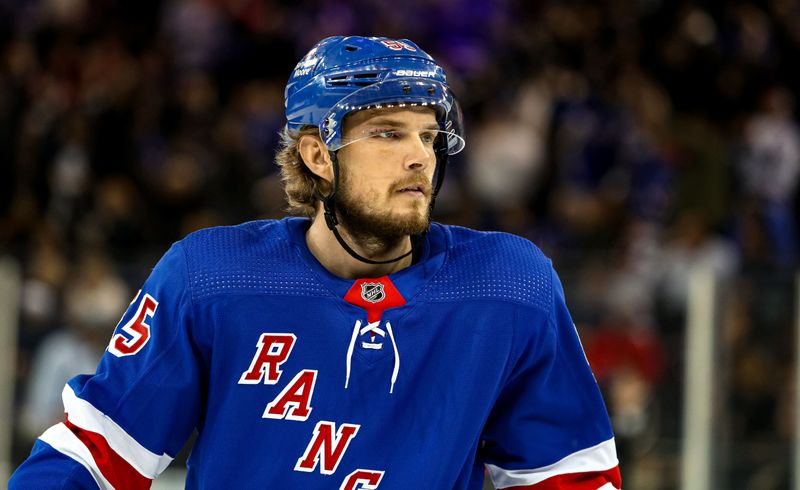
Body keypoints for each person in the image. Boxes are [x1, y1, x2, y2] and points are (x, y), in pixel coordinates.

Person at [10, 36, 621, 489]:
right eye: (387, 133)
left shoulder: (510, 285)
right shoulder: (210, 279)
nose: (419, 158)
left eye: (428, 136)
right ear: (317, 155)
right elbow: (94, 459)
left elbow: (569, 479)